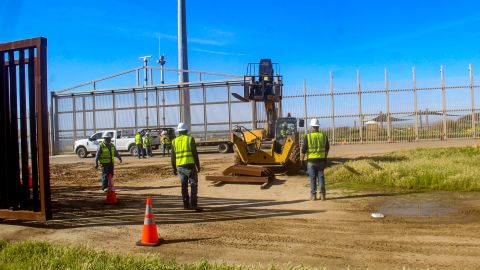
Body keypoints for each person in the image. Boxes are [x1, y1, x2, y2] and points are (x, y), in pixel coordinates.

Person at [171, 122, 202, 211]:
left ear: (179, 132)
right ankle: (194, 204)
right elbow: (194, 153)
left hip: (180, 167)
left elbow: (173, 157)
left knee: (183, 186)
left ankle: (186, 205)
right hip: (190, 166)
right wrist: (198, 165)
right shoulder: (190, 139)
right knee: (193, 185)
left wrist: (173, 168)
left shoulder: (174, 141)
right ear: (186, 131)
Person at [300, 119, 330, 201]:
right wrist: (325, 157)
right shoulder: (323, 136)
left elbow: (303, 150)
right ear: (318, 126)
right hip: (321, 160)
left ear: (312, 127)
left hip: (311, 161)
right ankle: (322, 195)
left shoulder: (308, 136)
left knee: (312, 178)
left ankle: (313, 196)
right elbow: (327, 148)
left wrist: (302, 161)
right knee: (321, 177)